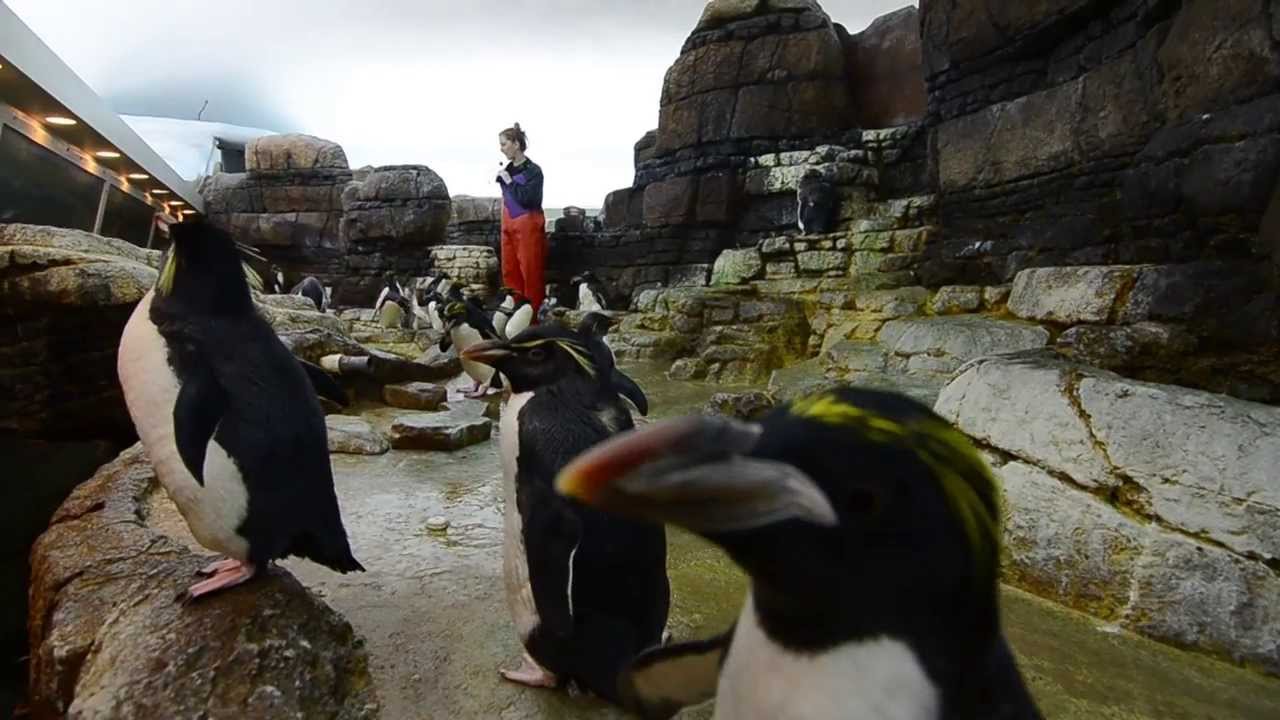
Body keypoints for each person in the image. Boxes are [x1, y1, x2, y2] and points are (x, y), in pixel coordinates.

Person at [496, 123, 547, 319]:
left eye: (504, 144)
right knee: (510, 272)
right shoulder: (507, 169)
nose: (501, 148)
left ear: (516, 144)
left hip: (528, 225)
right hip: (508, 226)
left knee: (530, 273)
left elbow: (530, 199)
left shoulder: (534, 171)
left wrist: (509, 181)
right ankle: (515, 316)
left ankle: (532, 317)